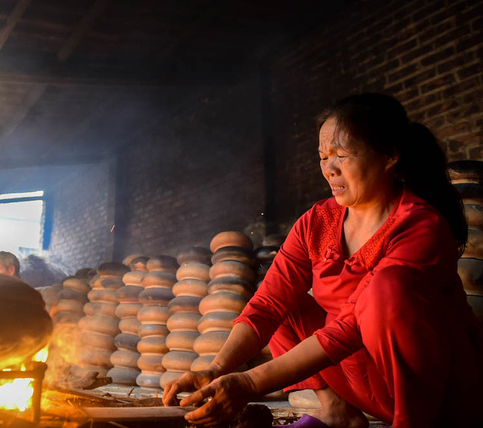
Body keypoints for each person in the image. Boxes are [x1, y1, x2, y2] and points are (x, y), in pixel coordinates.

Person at [163, 93, 483, 427]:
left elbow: (350, 327)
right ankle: (337, 412)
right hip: (368, 383)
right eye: (323, 156)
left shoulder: (420, 224)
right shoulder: (317, 222)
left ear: (389, 155)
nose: (329, 169)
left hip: (441, 395)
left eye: (342, 155)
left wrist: (248, 383)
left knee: (388, 290)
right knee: (286, 304)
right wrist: (216, 370)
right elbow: (267, 305)